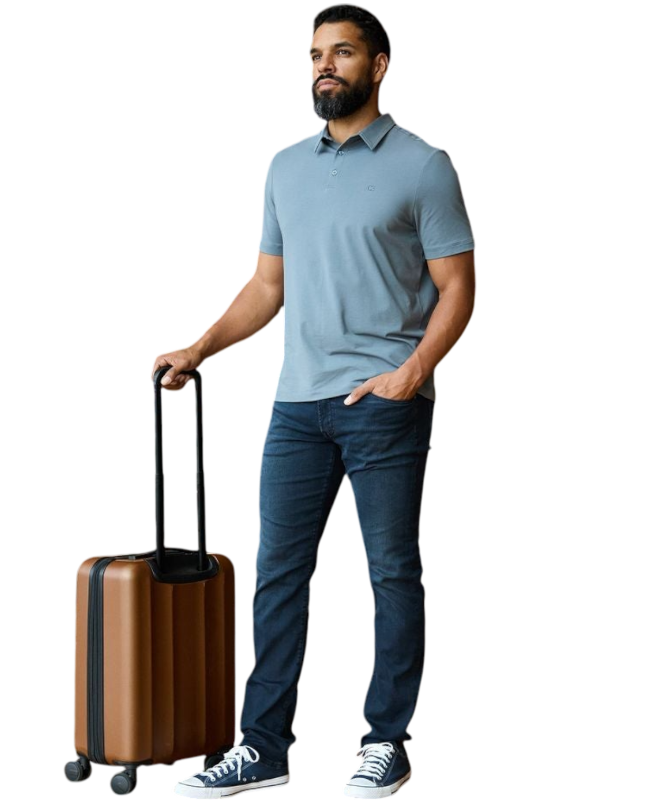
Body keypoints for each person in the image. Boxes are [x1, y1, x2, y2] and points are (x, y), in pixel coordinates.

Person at [156, 4, 476, 798]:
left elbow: (459, 287)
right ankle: (263, 749)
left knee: (390, 573)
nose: (324, 66)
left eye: (342, 53)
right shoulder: (285, 167)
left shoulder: (424, 165)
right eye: (313, 55)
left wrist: (411, 373)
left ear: (379, 66)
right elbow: (267, 286)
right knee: (275, 575)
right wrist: (199, 348)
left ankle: (386, 742)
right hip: (294, 405)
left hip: (384, 403)